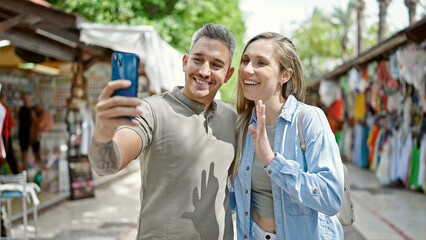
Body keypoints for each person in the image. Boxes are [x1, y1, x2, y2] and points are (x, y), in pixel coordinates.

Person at [88, 23, 237, 239]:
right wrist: (102, 133)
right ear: (185, 62)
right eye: (198, 59)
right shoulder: (150, 110)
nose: (204, 71)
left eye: (216, 64)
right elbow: (106, 166)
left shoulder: (232, 119)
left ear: (228, 74)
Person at [229, 32, 344, 239]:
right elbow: (234, 197)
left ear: (285, 75)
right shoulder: (241, 124)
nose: (247, 69)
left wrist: (272, 161)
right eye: (245, 60)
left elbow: (331, 198)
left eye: (261, 62)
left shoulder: (309, 119)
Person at [18, 93, 40, 171]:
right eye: (25, 99)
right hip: (23, 133)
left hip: (33, 134)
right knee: (24, 152)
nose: (27, 101)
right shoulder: (21, 110)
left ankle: (39, 169)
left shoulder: (34, 110)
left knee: (36, 151)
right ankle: (25, 170)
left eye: (28, 99)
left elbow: (36, 122)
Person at [0, 92, 19, 174]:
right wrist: (17, 115)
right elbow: (11, 123)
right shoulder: (5, 109)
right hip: (4, 136)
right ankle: (16, 173)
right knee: (9, 155)